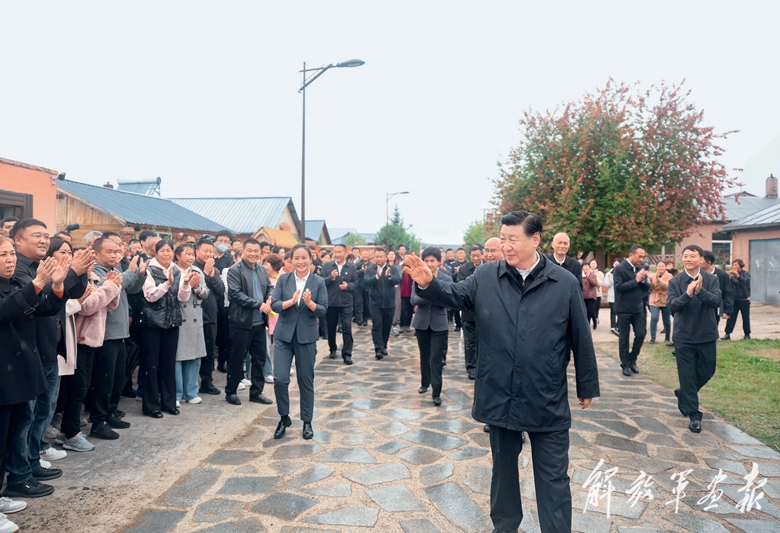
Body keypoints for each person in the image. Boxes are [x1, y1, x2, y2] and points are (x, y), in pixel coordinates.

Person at [404, 210, 599, 533]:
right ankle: (505, 526)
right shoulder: (485, 276)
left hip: (546, 394)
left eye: (513, 239)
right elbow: (456, 295)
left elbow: (580, 335)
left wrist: (586, 384)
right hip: (500, 392)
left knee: (553, 476)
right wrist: (429, 283)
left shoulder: (563, 282)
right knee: (503, 471)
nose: (505, 246)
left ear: (535, 240)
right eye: (503, 239)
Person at [7, 220, 90, 497]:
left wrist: (74, 275)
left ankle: (31, 463)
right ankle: (20, 473)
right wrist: (68, 274)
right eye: (37, 236)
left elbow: (57, 301)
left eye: (46, 235)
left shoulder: (39, 266)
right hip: (25, 354)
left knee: (40, 412)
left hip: (44, 349)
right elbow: (28, 302)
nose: (44, 240)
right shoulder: (20, 269)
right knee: (25, 419)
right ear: (18, 241)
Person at [0, 236, 69, 503]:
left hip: (21, 371)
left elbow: (45, 309)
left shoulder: (17, 283)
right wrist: (38, 283)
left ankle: (18, 480)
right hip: (4, 375)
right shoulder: (23, 285)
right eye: (3, 255)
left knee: (16, 432)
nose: (10, 260)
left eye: (11, 254)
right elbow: (5, 311)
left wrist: (57, 285)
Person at [64, 240, 122, 444]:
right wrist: (110, 287)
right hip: (79, 340)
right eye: (83, 259)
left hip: (93, 340)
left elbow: (110, 305)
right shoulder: (76, 281)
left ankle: (68, 430)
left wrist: (113, 285)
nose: (88, 264)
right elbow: (87, 307)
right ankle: (70, 433)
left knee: (84, 386)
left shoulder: (94, 278)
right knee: (78, 389)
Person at [270, 244, 328, 440]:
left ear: (310, 260)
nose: (301, 261)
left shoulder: (318, 281)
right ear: (291, 260)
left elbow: (323, 309)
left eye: (304, 258)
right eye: (297, 258)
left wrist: (310, 303)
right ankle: (284, 417)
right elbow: (275, 304)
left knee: (305, 380)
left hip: (306, 337)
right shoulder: (284, 279)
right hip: (284, 336)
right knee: (280, 379)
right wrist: (291, 301)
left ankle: (307, 421)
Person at [91, 235, 145, 435]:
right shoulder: (96, 272)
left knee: (117, 378)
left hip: (120, 333)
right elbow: (118, 285)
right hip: (106, 335)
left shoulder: (115, 270)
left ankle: (111, 412)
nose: (114, 255)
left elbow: (133, 288)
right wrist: (130, 271)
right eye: (109, 251)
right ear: (96, 253)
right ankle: (98, 421)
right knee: (104, 381)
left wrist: (140, 274)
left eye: (116, 251)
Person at [668, 245, 721, 433]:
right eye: (686, 256)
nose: (689, 259)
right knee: (687, 375)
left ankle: (684, 392)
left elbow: (716, 301)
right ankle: (694, 415)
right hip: (684, 336)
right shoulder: (675, 281)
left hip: (706, 334)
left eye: (693, 256)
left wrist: (700, 291)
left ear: (701, 259)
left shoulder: (711, 279)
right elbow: (672, 306)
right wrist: (688, 294)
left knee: (708, 370)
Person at [139, 239, 192, 418]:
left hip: (171, 323)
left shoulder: (177, 271)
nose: (166, 253)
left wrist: (186, 283)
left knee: (168, 365)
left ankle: (169, 403)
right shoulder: (150, 270)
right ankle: (151, 406)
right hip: (152, 324)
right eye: (162, 250)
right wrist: (167, 283)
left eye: (169, 250)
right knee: (151, 365)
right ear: (156, 252)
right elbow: (150, 296)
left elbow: (182, 298)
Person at [225, 239, 273, 406]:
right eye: (250, 250)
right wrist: (258, 304)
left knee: (260, 359)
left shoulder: (261, 269)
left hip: (259, 323)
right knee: (237, 358)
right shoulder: (235, 270)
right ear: (243, 250)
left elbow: (269, 287)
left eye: (256, 250)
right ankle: (231, 391)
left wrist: (270, 296)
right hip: (241, 322)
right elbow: (235, 294)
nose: (253, 253)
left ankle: (256, 392)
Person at [411, 247, 451, 406]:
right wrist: (432, 295)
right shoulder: (417, 277)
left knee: (436, 358)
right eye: (426, 261)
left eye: (432, 261)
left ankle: (436, 392)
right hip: (421, 322)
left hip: (439, 323)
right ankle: (424, 383)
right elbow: (413, 300)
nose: (429, 264)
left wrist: (428, 293)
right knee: (424, 355)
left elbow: (448, 299)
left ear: (439, 261)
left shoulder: (446, 278)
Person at [173, 243, 207, 406]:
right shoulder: (172, 270)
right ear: (178, 255)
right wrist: (186, 284)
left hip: (195, 317)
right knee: (178, 357)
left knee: (194, 356)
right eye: (187, 253)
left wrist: (197, 287)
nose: (191, 257)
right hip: (179, 316)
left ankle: (191, 392)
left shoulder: (197, 271)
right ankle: (177, 394)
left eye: (192, 254)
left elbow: (206, 293)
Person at [193, 238, 225, 395]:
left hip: (211, 315)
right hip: (194, 315)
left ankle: (207, 381)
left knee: (209, 350)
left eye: (210, 251)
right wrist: (205, 273)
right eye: (205, 251)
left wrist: (212, 276)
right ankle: (191, 383)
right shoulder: (191, 268)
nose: (208, 254)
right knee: (194, 351)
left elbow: (221, 290)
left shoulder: (215, 269)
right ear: (196, 251)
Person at [613, 245, 650, 376]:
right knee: (624, 337)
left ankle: (632, 359)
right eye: (639, 256)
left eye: (643, 257)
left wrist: (643, 280)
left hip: (638, 308)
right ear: (631, 255)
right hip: (623, 308)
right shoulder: (619, 269)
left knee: (641, 334)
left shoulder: (640, 268)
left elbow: (645, 288)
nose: (641, 259)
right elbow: (619, 287)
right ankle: (625, 364)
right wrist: (636, 280)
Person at [322, 244, 358, 365]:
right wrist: (331, 277)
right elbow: (321, 281)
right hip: (331, 302)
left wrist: (348, 286)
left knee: (347, 328)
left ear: (345, 253)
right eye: (335, 252)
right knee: (331, 328)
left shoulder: (351, 267)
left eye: (339, 252)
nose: (337, 254)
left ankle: (347, 354)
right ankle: (332, 348)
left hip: (346, 302)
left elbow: (355, 282)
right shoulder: (327, 266)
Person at [364, 248, 401, 359]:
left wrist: (389, 276)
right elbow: (366, 282)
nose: (379, 259)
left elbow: (398, 279)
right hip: (375, 303)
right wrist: (377, 277)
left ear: (385, 257)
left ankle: (384, 345)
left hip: (389, 303)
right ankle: (378, 349)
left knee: (386, 326)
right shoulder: (371, 269)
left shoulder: (392, 268)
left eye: (381, 256)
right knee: (377, 325)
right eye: (377, 257)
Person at [458, 244, 484, 379]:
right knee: (470, 343)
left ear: (482, 254)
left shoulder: (489, 267)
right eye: (473, 256)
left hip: (486, 313)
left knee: (484, 342)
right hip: (469, 312)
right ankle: (471, 368)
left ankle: (482, 366)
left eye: (478, 255)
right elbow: (462, 289)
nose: (476, 258)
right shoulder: (464, 269)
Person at [262, 253, 284, 383]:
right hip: (265, 316)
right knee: (265, 346)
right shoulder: (262, 278)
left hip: (278, 316)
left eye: (267, 264)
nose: (264, 266)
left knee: (279, 346)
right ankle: (268, 371)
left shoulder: (282, 279)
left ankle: (280, 369)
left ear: (274, 266)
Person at [701, 250, 734, 330]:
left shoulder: (722, 275)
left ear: (708, 262)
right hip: (699, 308)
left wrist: (727, 310)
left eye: (701, 260)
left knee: (712, 330)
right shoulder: (697, 274)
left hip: (714, 308)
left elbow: (728, 293)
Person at [723, 259, 751, 340]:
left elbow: (744, 283)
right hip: (734, 299)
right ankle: (727, 334)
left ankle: (747, 334)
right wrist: (729, 278)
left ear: (740, 265)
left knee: (745, 318)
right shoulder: (731, 274)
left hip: (744, 299)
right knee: (731, 317)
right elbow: (728, 286)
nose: (734, 267)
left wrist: (738, 276)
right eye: (733, 265)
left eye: (736, 265)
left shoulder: (746, 274)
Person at [648, 260, 673, 345]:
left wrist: (658, 279)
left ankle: (667, 336)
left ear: (666, 267)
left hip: (665, 299)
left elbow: (667, 286)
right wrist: (650, 281)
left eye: (663, 266)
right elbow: (650, 287)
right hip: (654, 299)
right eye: (659, 266)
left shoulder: (669, 275)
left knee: (666, 320)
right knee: (654, 318)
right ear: (656, 267)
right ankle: (653, 337)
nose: (661, 268)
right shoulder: (653, 275)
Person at [353, 249, 371, 326]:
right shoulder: (357, 263)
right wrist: (361, 271)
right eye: (364, 254)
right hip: (358, 286)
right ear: (361, 255)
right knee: (358, 303)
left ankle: (365, 319)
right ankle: (358, 319)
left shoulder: (372, 265)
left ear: (369, 255)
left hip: (368, 287)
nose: (365, 256)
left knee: (366, 303)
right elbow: (353, 273)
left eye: (366, 254)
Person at [604, 259, 620, 335]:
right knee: (613, 311)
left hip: (620, 296)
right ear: (613, 264)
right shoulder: (609, 273)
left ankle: (618, 325)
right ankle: (613, 326)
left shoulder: (622, 272)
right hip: (612, 296)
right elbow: (607, 285)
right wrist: (610, 280)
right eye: (615, 264)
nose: (616, 265)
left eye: (618, 264)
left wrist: (612, 280)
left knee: (620, 312)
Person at [581, 262, 599, 329]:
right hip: (583, 296)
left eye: (587, 266)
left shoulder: (592, 275)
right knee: (584, 311)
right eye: (584, 266)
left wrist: (588, 277)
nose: (586, 267)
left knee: (591, 311)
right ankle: (587, 324)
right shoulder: (580, 275)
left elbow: (594, 284)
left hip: (591, 296)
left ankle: (594, 320)